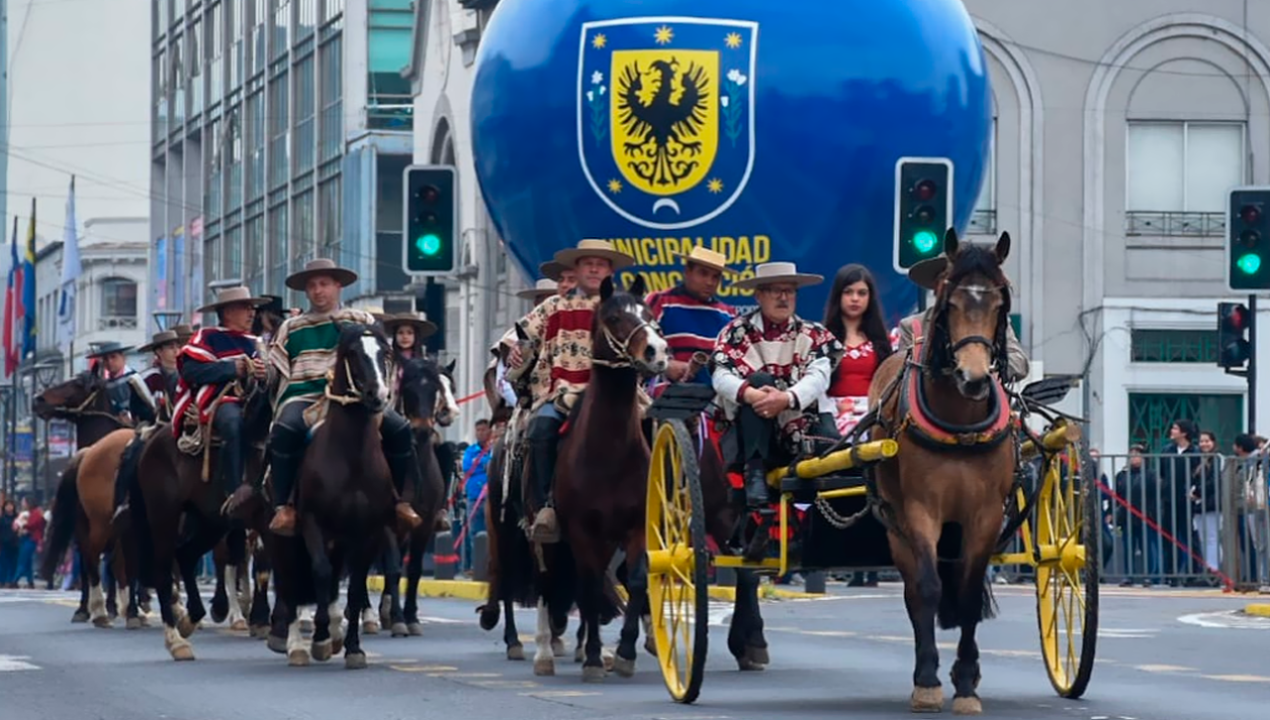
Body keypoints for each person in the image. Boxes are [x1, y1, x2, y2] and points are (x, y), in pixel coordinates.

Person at [265, 258, 423, 536]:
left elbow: (381, 360)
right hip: (304, 394)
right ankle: (284, 506)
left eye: (324, 284)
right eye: (312, 286)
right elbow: (276, 372)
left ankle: (402, 502)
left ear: (338, 286)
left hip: (355, 397)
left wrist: (376, 390)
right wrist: (260, 371)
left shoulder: (360, 320)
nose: (318, 291)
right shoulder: (291, 327)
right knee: (284, 430)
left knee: (399, 428)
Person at [503, 238, 636, 542]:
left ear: (610, 270)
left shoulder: (624, 306)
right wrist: (515, 351)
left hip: (616, 394)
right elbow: (521, 338)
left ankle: (651, 499)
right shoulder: (553, 305)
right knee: (540, 427)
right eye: (587, 262)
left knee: (653, 426)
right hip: (563, 393)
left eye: (600, 263)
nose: (593, 268)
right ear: (576, 268)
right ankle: (545, 507)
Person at [711, 262, 844, 509]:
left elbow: (819, 375)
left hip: (803, 424)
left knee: (841, 458)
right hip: (752, 432)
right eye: (775, 291)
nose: (784, 297)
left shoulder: (814, 334)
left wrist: (786, 399)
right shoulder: (736, 332)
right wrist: (751, 395)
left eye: (789, 291)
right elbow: (720, 375)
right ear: (758, 295)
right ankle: (755, 473)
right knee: (759, 381)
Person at [172, 286, 270, 514]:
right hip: (222, 400)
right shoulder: (207, 336)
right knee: (232, 422)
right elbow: (190, 371)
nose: (252, 313)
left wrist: (265, 374)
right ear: (227, 313)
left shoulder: (258, 342)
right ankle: (233, 489)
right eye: (245, 308)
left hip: (255, 399)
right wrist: (232, 368)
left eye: (252, 308)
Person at [897, 256, 1029, 381]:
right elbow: (902, 372)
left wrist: (987, 367)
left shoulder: (993, 322)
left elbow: (1019, 362)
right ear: (936, 288)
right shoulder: (911, 325)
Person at [644, 246, 736, 386]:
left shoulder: (729, 314)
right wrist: (665, 365)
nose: (709, 282)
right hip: (665, 395)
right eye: (703, 274)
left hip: (717, 396)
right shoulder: (660, 302)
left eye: (715, 277)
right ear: (687, 272)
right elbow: (635, 345)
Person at [89, 341, 158, 428]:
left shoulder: (136, 379)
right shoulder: (105, 385)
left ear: (123, 358)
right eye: (106, 359)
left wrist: (130, 416)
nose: (110, 362)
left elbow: (148, 405)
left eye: (113, 357)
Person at [138, 330, 183, 423]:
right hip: (155, 422)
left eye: (178, 347)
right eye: (171, 348)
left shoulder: (186, 373)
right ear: (159, 351)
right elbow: (140, 408)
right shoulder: (149, 378)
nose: (176, 351)